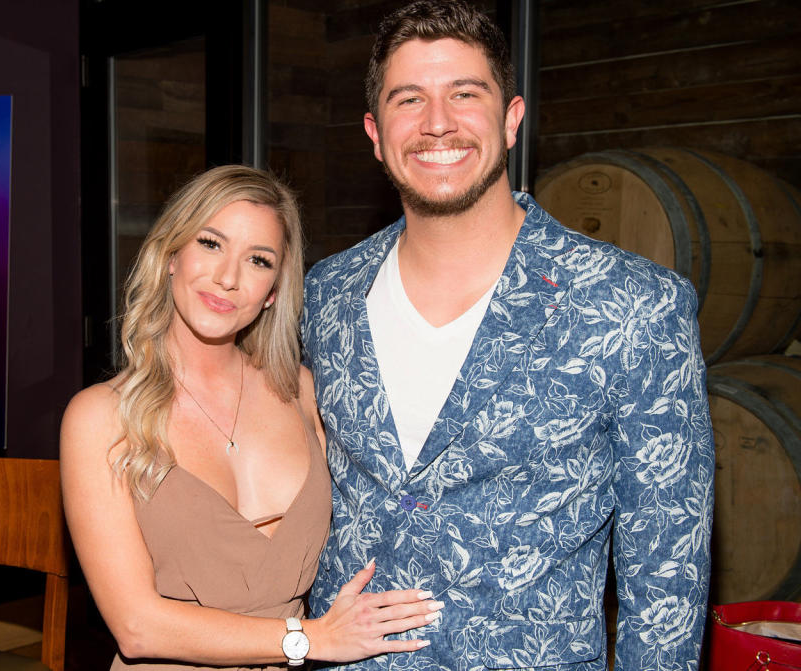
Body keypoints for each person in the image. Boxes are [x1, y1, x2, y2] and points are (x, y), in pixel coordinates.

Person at [300, 2, 715, 670]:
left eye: (465, 94)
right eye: (410, 100)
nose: (438, 122)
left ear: (511, 118)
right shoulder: (328, 292)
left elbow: (666, 577)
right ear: (375, 133)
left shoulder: (634, 305)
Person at [61, 165, 444, 670]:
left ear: (272, 291)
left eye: (258, 260)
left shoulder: (305, 393)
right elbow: (137, 626)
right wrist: (308, 638)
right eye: (211, 243)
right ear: (171, 255)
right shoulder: (101, 418)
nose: (228, 277)